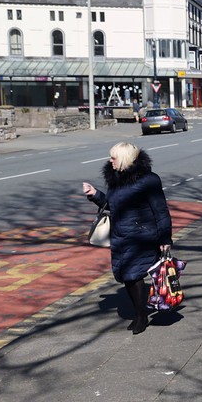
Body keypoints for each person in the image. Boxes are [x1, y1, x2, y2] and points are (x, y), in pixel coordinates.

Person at [82, 142, 172, 335]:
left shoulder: (148, 180)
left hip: (142, 237)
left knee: (134, 275)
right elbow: (112, 204)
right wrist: (95, 194)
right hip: (120, 236)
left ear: (124, 159)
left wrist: (165, 238)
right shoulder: (116, 179)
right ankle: (140, 314)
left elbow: (161, 211)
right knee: (128, 278)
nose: (109, 161)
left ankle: (141, 316)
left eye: (113, 157)